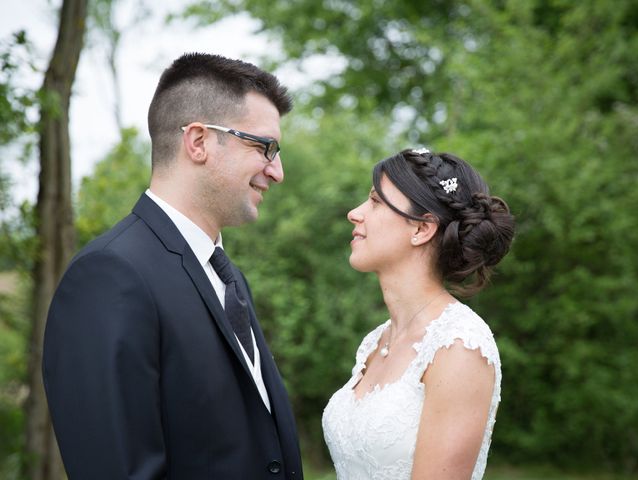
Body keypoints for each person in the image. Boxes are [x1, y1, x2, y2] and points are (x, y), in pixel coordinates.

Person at [43, 53, 303, 479]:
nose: (277, 171)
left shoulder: (228, 277)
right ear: (198, 141)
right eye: (264, 147)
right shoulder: (110, 276)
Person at [322, 148, 515, 479]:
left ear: (421, 229)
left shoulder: (459, 345)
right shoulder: (375, 341)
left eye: (376, 202)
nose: (355, 213)